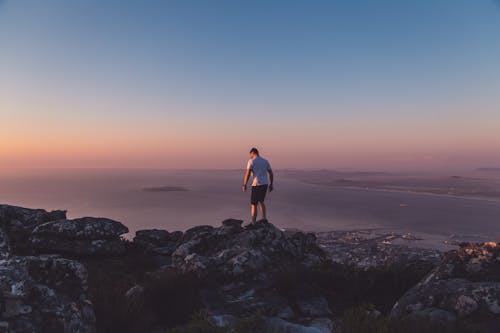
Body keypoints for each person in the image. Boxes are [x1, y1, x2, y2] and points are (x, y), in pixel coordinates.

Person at [242, 147, 274, 223]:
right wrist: (271, 184)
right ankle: (264, 218)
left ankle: (253, 222)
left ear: (252, 153)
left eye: (250, 155)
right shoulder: (265, 161)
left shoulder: (251, 161)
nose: (250, 156)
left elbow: (248, 173)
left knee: (254, 204)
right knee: (261, 201)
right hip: (265, 184)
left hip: (256, 184)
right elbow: (271, 173)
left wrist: (244, 184)